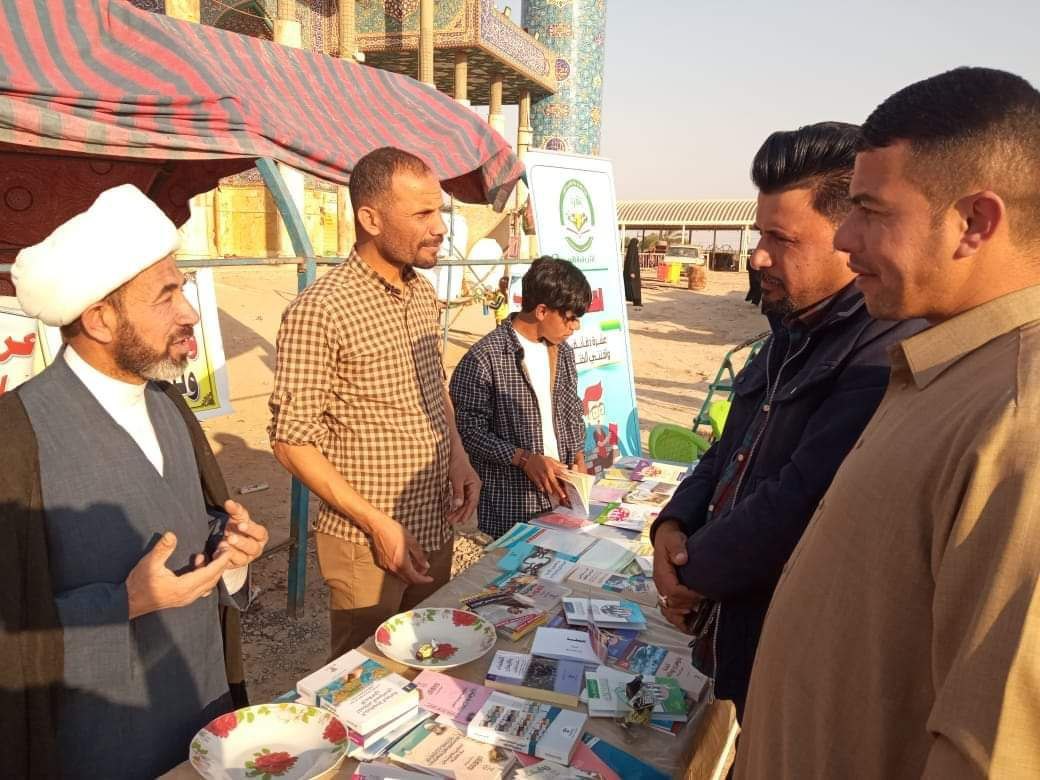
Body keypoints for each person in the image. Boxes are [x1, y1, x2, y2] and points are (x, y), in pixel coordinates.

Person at [736, 67, 1040, 779]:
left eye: (870, 212)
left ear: (975, 222)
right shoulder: (947, 364)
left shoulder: (1019, 421)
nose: (845, 238)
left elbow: (991, 753)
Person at [650, 122, 924, 722]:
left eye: (781, 238)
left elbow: (799, 500)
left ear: (850, 235)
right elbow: (728, 447)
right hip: (734, 629)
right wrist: (673, 522)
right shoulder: (789, 329)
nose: (757, 256)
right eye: (758, 233)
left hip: (794, 652)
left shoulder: (883, 349)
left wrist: (693, 571)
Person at [1, 184, 268, 779]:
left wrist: (232, 554)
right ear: (100, 318)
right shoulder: (14, 438)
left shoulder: (170, 404)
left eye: (183, 289)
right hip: (100, 743)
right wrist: (126, 602)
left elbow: (193, 525)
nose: (190, 313)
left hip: (204, 711)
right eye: (166, 295)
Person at [269, 147, 481, 659]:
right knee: (364, 673)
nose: (439, 228)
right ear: (370, 219)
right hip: (365, 541)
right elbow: (291, 442)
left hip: (434, 519)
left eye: (439, 211)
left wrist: (458, 456)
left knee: (430, 657)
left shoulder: (423, 295)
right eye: (422, 214)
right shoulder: (321, 309)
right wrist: (377, 524)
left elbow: (434, 388)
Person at [449, 256, 589, 538]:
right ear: (542, 311)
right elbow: (467, 432)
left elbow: (572, 410)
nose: (575, 327)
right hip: (511, 504)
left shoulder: (562, 352)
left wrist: (578, 461)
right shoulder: (484, 358)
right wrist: (524, 459)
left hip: (562, 499)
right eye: (571, 318)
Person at [623, 237, 643, 308]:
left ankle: (636, 301)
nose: (638, 245)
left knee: (634, 287)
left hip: (634, 271)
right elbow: (631, 261)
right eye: (637, 243)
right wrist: (631, 272)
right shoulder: (632, 250)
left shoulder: (632, 249)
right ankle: (637, 302)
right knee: (635, 287)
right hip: (633, 272)